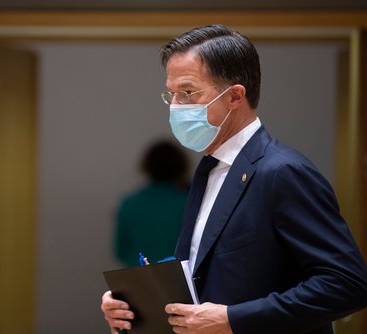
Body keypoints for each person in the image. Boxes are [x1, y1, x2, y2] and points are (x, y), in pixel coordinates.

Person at [101, 24, 367, 334]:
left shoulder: (282, 171)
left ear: (234, 97)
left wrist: (234, 319)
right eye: (171, 94)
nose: (175, 106)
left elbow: (347, 284)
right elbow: (204, 266)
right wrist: (133, 302)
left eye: (187, 93)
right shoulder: (210, 168)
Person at [114, 139, 189, 267]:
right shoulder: (189, 203)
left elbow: (119, 251)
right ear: (181, 167)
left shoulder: (130, 203)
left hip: (138, 279)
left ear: (146, 166)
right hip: (178, 279)